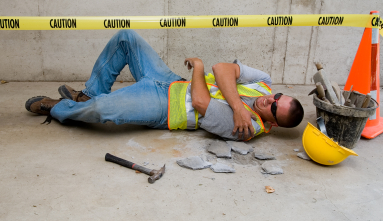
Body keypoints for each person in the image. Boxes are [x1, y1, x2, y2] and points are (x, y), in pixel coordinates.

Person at [25, 29, 304, 141]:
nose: (271, 99)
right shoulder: (265, 84)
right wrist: (236, 105)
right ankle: (89, 93)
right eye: (279, 96)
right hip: (171, 82)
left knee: (102, 112)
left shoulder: (247, 128)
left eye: (276, 107)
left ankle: (61, 109)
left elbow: (200, 102)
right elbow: (224, 70)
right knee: (126, 38)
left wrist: (199, 68)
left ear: (273, 124)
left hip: (164, 107)